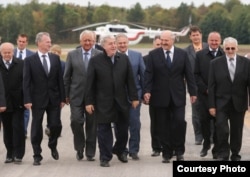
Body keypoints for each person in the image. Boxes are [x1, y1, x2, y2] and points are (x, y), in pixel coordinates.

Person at [85, 35, 139, 167]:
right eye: (110, 44)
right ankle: (105, 157)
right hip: (103, 102)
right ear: (103, 46)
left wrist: (134, 97)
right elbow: (89, 84)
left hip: (121, 101)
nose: (114, 46)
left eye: (114, 43)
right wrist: (88, 102)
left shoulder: (124, 59)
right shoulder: (95, 61)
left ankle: (119, 149)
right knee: (104, 130)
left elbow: (130, 80)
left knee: (122, 130)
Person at [143, 30, 197, 163]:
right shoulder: (153, 55)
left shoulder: (182, 54)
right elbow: (148, 75)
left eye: (166, 40)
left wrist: (193, 92)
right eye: (162, 40)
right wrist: (147, 91)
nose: (164, 42)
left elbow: (189, 74)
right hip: (159, 96)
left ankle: (179, 151)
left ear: (173, 40)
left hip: (177, 96)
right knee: (163, 126)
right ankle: (166, 153)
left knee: (179, 122)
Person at [23, 32, 65, 166]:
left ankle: (52, 145)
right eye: (47, 42)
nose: (50, 44)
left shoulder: (55, 58)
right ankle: (37, 154)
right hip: (37, 100)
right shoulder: (29, 61)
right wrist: (27, 99)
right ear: (39, 43)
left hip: (54, 99)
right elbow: (26, 82)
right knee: (36, 127)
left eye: (50, 41)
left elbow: (60, 80)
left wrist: (63, 98)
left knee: (55, 125)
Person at [208, 37, 250, 161]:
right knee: (222, 129)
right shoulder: (215, 63)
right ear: (224, 48)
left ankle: (235, 153)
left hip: (239, 102)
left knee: (237, 130)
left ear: (236, 48)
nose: (230, 50)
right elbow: (211, 86)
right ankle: (223, 153)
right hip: (221, 103)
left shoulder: (246, 63)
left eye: (232, 48)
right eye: (227, 48)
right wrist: (211, 105)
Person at [64, 30, 102, 161]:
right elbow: (67, 76)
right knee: (76, 121)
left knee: (92, 125)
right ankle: (79, 147)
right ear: (80, 42)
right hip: (76, 96)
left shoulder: (100, 55)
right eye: (85, 40)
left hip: (94, 97)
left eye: (90, 40)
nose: (87, 43)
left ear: (94, 41)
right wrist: (66, 94)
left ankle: (90, 152)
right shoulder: (72, 55)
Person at [194, 31, 224, 159]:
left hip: (220, 96)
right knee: (204, 121)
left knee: (219, 123)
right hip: (205, 95)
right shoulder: (200, 55)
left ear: (220, 41)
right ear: (208, 41)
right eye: (212, 40)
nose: (214, 43)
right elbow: (196, 74)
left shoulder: (224, 54)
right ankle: (206, 144)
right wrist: (205, 89)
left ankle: (216, 149)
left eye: (216, 40)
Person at [115, 33, 145, 160]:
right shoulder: (112, 57)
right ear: (116, 44)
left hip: (135, 96)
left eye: (124, 43)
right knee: (119, 125)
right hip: (118, 97)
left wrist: (143, 94)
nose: (122, 45)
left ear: (128, 43)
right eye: (120, 43)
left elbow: (143, 75)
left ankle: (134, 150)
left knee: (134, 123)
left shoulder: (137, 56)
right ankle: (122, 149)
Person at [0, 42, 25, 164]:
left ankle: (19, 154)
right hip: (4, 104)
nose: (7, 54)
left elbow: (26, 83)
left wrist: (26, 100)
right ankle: (10, 153)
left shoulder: (21, 64)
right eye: (5, 52)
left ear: (13, 52)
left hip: (18, 103)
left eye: (9, 52)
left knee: (18, 128)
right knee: (8, 129)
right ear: (1, 53)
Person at [184, 26, 208, 145]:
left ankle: (211, 135)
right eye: (193, 35)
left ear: (201, 35)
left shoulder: (209, 47)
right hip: (194, 86)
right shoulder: (185, 51)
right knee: (196, 112)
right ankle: (198, 136)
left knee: (211, 110)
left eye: (197, 34)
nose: (196, 37)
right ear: (190, 37)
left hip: (209, 85)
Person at [143, 35, 163, 157]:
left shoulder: (170, 57)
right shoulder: (146, 59)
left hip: (168, 94)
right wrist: (146, 92)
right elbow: (145, 78)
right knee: (155, 122)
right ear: (153, 45)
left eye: (161, 44)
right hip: (154, 95)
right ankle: (156, 147)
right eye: (157, 45)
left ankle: (168, 145)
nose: (159, 47)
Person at [14, 33, 34, 138]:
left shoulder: (31, 55)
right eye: (20, 41)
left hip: (26, 88)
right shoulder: (10, 53)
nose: (21, 43)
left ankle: (23, 131)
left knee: (26, 111)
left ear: (27, 42)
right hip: (13, 88)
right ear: (17, 41)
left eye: (23, 41)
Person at [44, 44, 66, 137]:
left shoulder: (63, 64)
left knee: (56, 114)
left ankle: (57, 129)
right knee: (50, 113)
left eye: (57, 52)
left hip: (57, 92)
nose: (55, 54)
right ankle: (50, 127)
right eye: (53, 52)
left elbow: (64, 79)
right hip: (47, 91)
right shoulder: (47, 62)